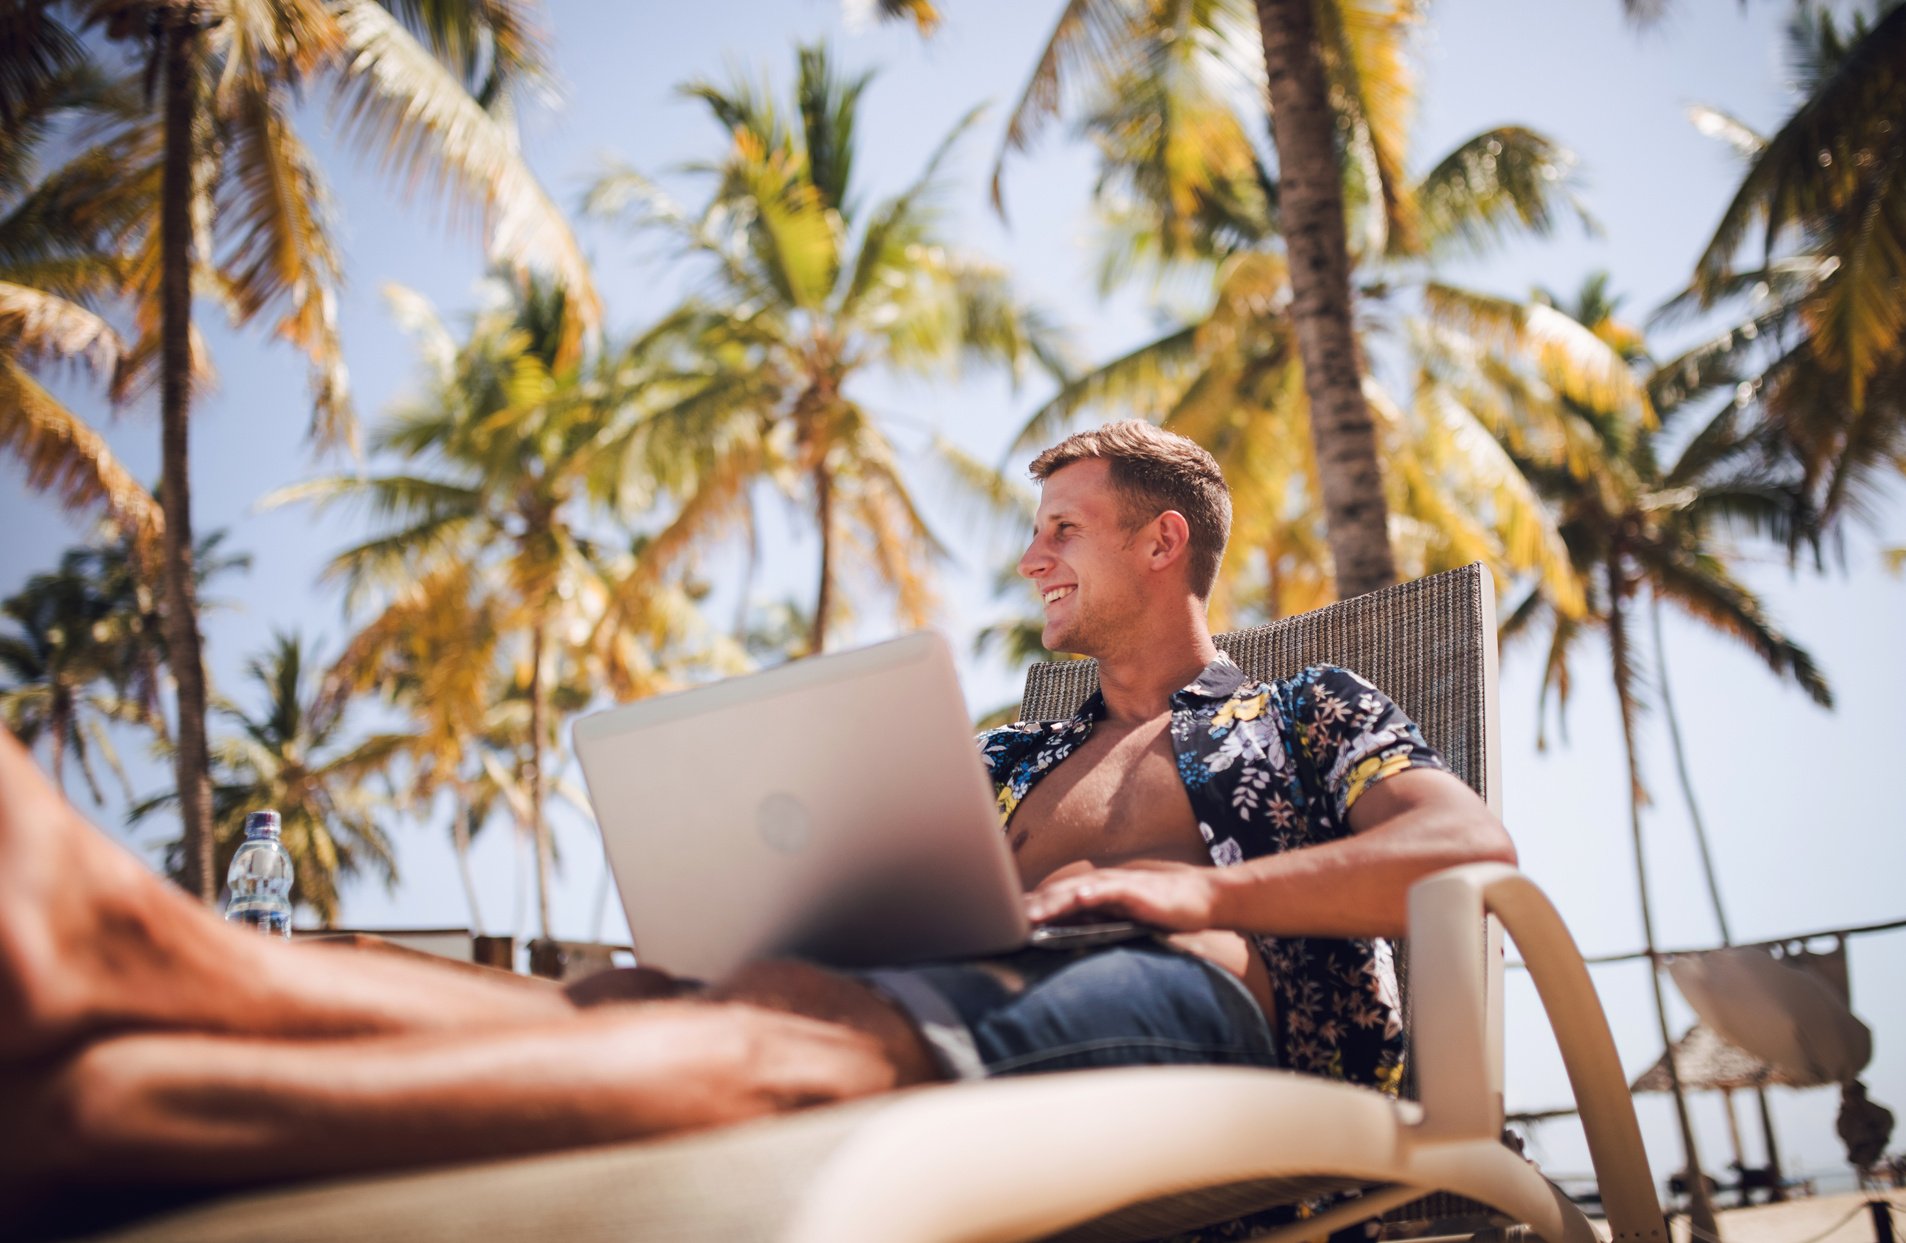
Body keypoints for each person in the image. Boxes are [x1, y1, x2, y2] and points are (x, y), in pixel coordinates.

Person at [0, 420, 1514, 1220]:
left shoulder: (1300, 710)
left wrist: (1187, 895)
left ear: (1161, 540)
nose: (1029, 556)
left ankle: (125, 1104)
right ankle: (148, 964)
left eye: (1061, 527)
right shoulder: (1000, 752)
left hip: (1207, 1011)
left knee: (802, 1034)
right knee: (645, 994)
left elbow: (1459, 853)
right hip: (955, 990)